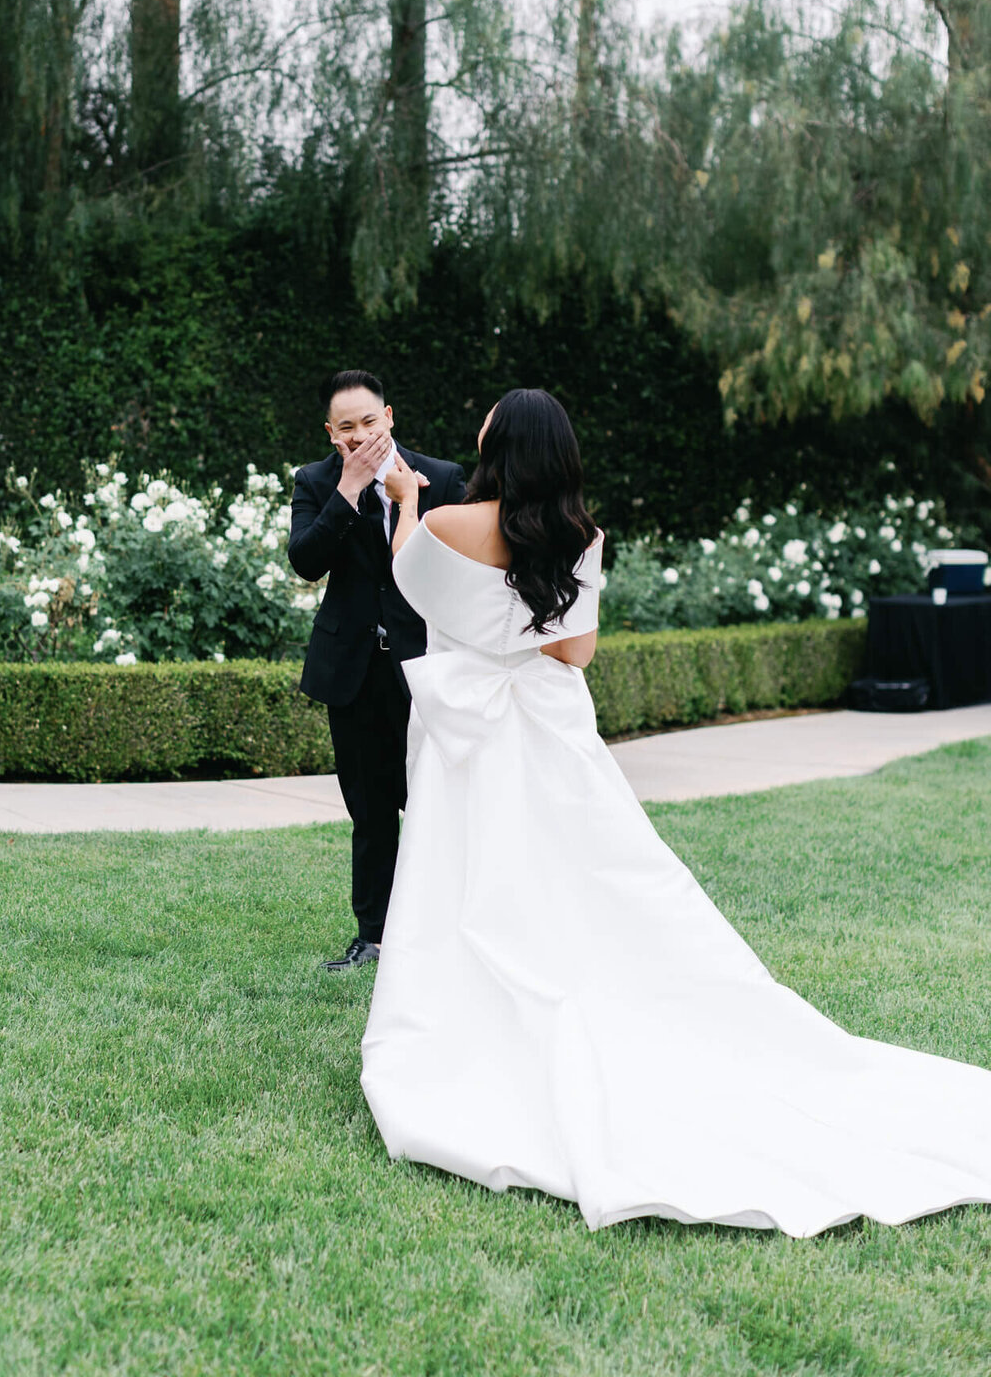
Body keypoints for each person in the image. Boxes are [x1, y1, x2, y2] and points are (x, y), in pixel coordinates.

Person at [361, 387, 991, 1237]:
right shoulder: (583, 539)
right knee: (591, 876)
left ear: (496, 443)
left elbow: (411, 585)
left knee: (467, 878)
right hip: (546, 733)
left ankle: (473, 1026)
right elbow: (573, 650)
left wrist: (406, 505)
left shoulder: (445, 525)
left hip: (465, 740)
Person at [289, 370, 466, 972]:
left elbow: (458, 572)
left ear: (389, 416)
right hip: (353, 670)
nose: (361, 435)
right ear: (330, 433)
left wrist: (405, 501)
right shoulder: (315, 481)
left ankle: (444, 928)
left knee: (434, 802)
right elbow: (306, 562)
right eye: (347, 427)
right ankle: (375, 937)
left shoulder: (440, 478)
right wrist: (349, 489)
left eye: (370, 422)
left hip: (426, 667)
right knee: (369, 811)